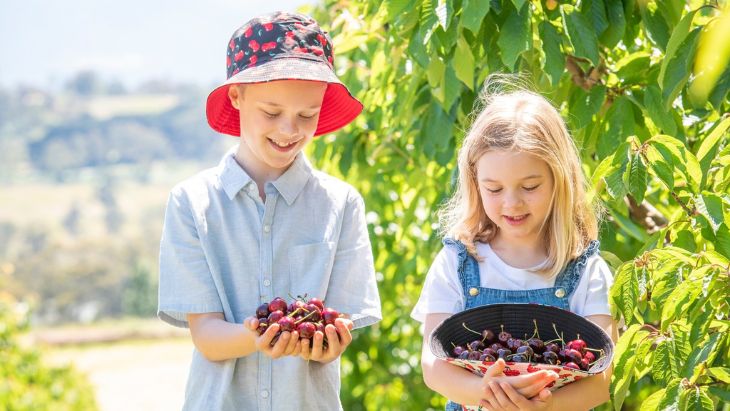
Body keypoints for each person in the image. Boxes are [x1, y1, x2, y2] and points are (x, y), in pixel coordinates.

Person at [158, 11, 381, 411]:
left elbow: (338, 327)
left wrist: (325, 343)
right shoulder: (193, 203)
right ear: (236, 96)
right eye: (272, 113)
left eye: (307, 116)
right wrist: (263, 334)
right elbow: (207, 336)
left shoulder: (341, 204)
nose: (289, 130)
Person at [411, 79, 617, 410]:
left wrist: (541, 407)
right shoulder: (458, 262)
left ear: (558, 180)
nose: (512, 203)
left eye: (530, 186)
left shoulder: (585, 269)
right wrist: (494, 398)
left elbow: (603, 380)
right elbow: (434, 368)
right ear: (475, 184)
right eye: (494, 189)